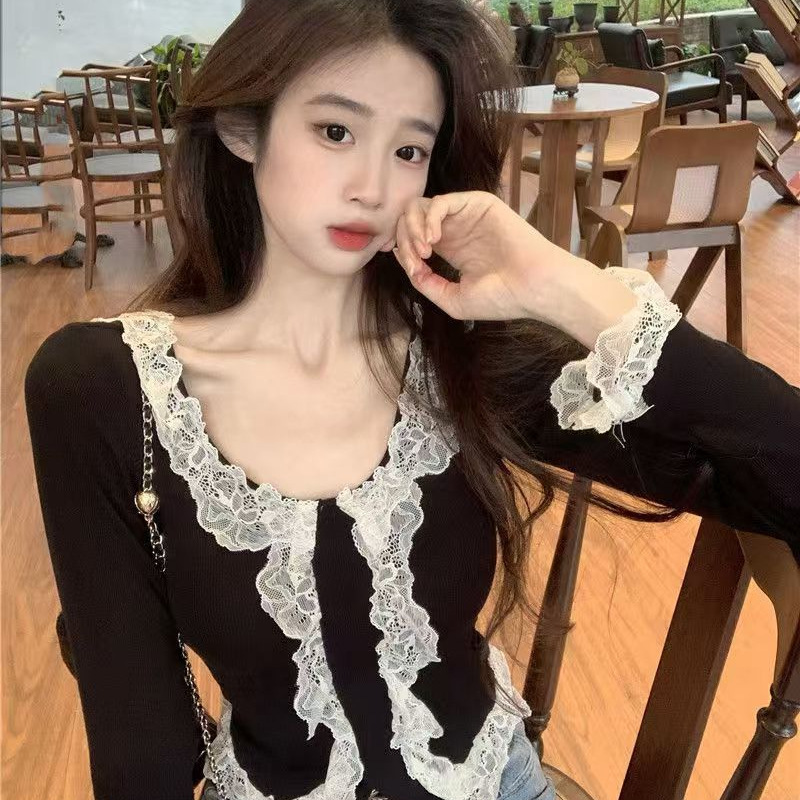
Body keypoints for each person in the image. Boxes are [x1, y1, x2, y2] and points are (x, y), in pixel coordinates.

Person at [23, 1, 799, 799]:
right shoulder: (105, 388)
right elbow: (141, 753)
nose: (372, 188)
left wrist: (561, 283)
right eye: (335, 131)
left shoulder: (459, 354)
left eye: (408, 150)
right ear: (244, 129)